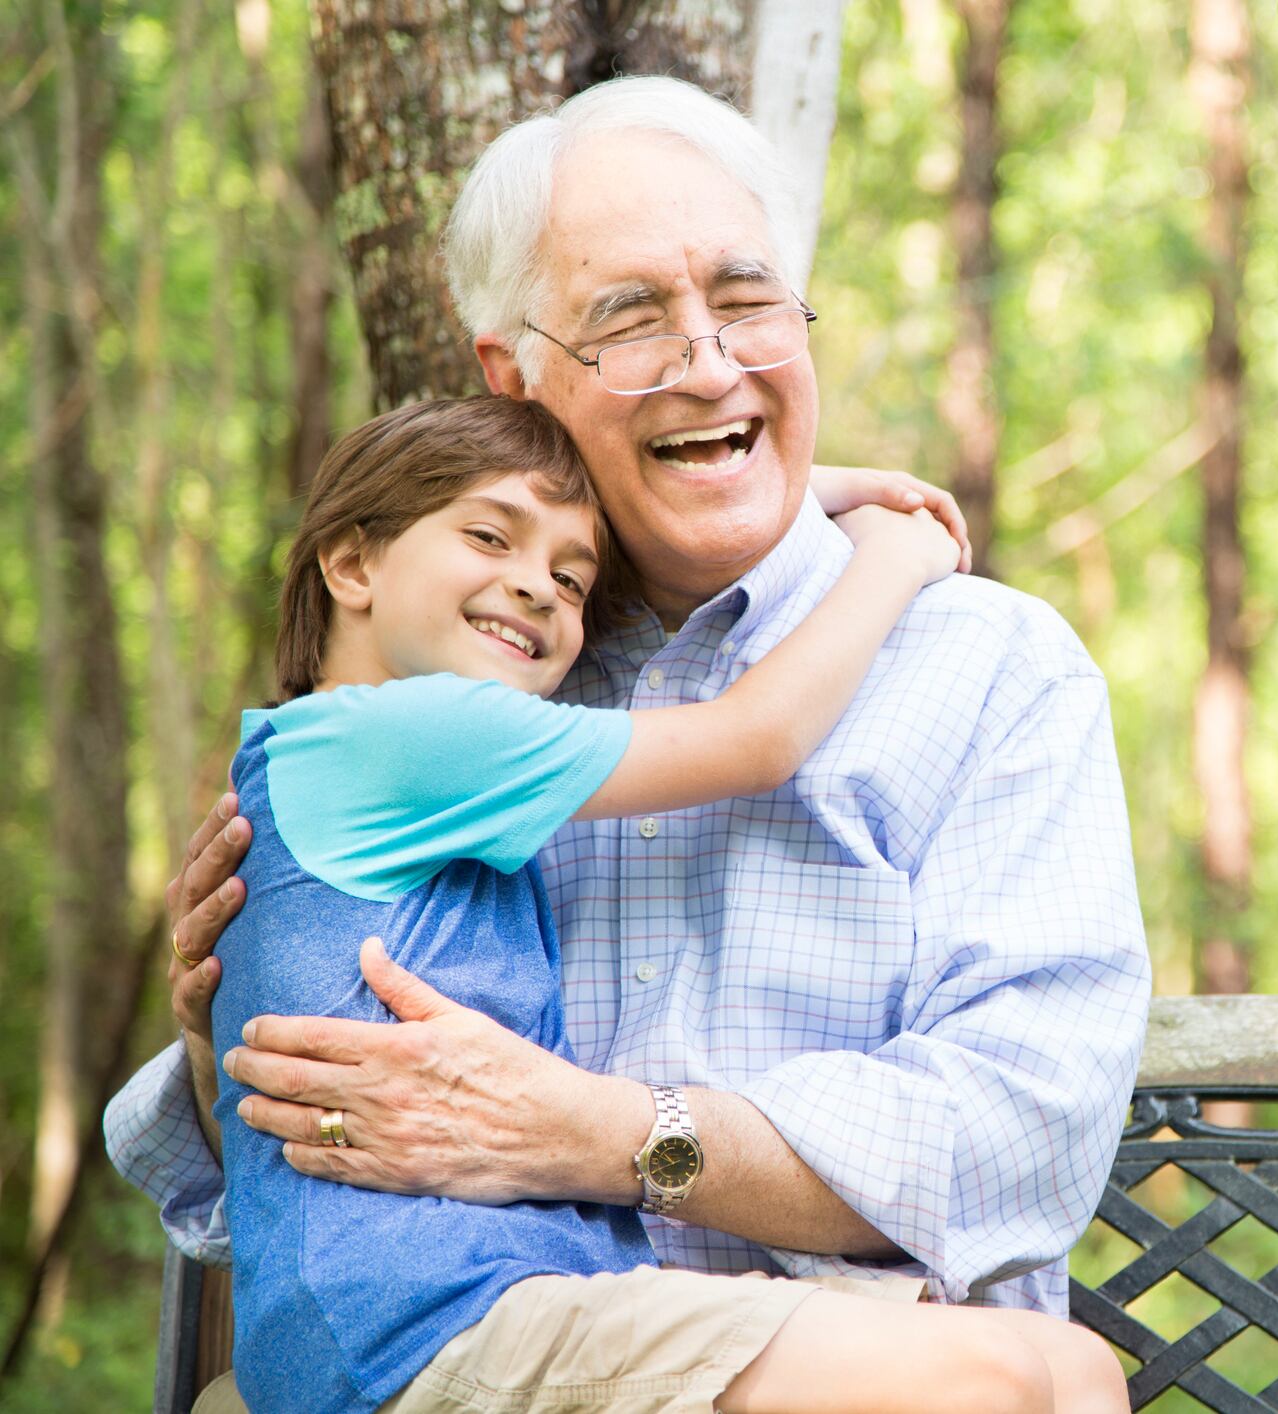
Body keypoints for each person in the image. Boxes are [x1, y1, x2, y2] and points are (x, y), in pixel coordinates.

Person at [106, 68, 1149, 1393]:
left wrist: (602, 1133)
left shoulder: (994, 671)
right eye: (631, 319)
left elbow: (1019, 1137)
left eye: (747, 300)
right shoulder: (485, 682)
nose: (708, 359)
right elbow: (255, 1186)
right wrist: (229, 1019)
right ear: (516, 379)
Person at [178, 392, 1119, 1412]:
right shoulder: (417, 734)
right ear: (351, 565)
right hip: (418, 1325)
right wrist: (891, 553)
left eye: (570, 577)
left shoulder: (351, 750)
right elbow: (756, 737)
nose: (535, 586)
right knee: (986, 1378)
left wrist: (805, 494)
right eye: (489, 536)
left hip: (490, 1301)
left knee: (1075, 1369)